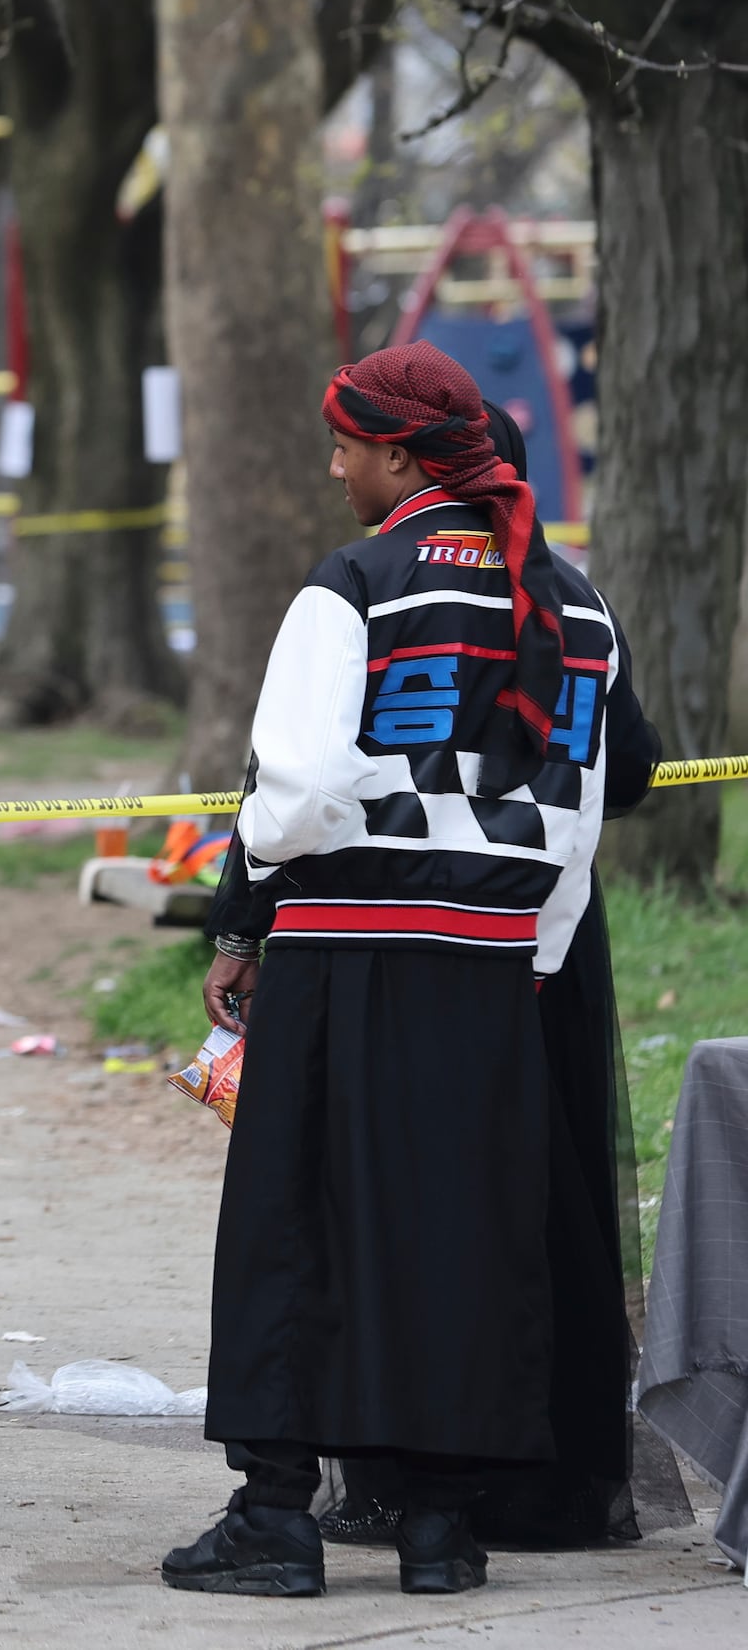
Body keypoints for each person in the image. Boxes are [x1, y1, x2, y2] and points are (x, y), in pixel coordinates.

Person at [170, 342, 624, 1599]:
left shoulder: (353, 583)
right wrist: (523, 948)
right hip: (489, 961)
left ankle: (273, 1514)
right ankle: (438, 1526)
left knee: (294, 1221)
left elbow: (298, 785)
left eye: (344, 444)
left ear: (396, 452)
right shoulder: (572, 599)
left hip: (343, 950)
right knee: (461, 1229)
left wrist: (263, 868)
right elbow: (577, 814)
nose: (333, 466)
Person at [319, 403, 661, 1552]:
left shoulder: (382, 587)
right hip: (546, 934)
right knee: (542, 1191)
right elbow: (634, 768)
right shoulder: (573, 598)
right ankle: (551, 1473)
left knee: (405, 1192)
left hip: (407, 928)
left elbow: (300, 767)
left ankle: (406, 1474)